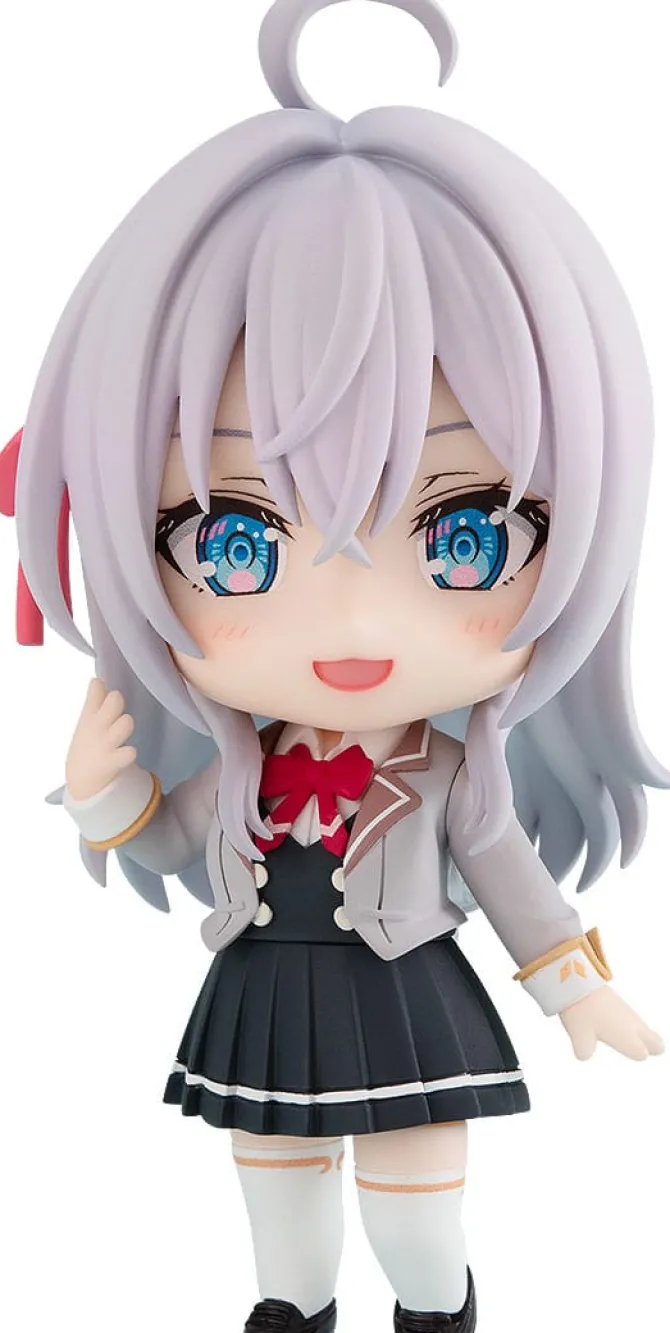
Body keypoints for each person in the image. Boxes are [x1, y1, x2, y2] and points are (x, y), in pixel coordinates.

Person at [2, 2, 666, 1330]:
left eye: (465, 535)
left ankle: (436, 1316)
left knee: (416, 1218)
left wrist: (576, 985)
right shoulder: (244, 763)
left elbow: (507, 875)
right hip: (261, 991)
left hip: (405, 989)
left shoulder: (452, 771)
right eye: (233, 539)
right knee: (281, 1213)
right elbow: (172, 833)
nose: (353, 622)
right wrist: (100, 790)